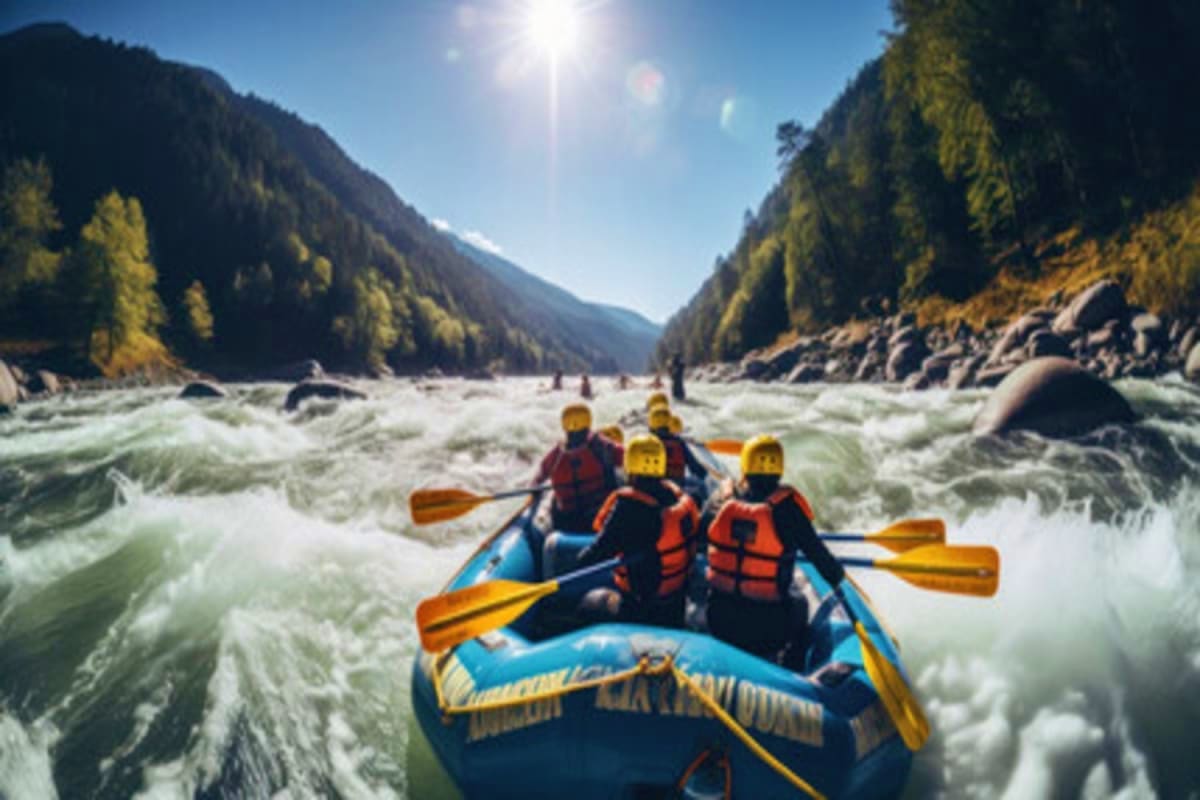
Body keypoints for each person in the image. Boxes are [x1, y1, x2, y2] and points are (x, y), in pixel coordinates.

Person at [703, 434, 844, 662]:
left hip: (719, 620)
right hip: (767, 629)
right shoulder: (787, 509)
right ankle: (791, 667)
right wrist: (839, 579)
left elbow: (699, 536)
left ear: (745, 466)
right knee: (801, 603)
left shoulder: (720, 500)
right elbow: (819, 558)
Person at [576, 434, 700, 627]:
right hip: (675, 604)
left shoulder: (628, 508)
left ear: (629, 465)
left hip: (639, 608)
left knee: (590, 603)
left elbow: (596, 553)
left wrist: (576, 562)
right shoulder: (675, 496)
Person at [534, 403, 623, 532]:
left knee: (551, 499)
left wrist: (535, 491)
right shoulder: (600, 445)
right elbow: (625, 456)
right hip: (600, 519)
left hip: (567, 522)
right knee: (619, 477)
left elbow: (539, 477)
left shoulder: (555, 455)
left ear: (564, 426)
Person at [648, 405, 707, 483]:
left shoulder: (646, 444)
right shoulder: (679, 443)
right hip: (677, 486)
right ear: (669, 422)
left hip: (653, 487)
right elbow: (698, 471)